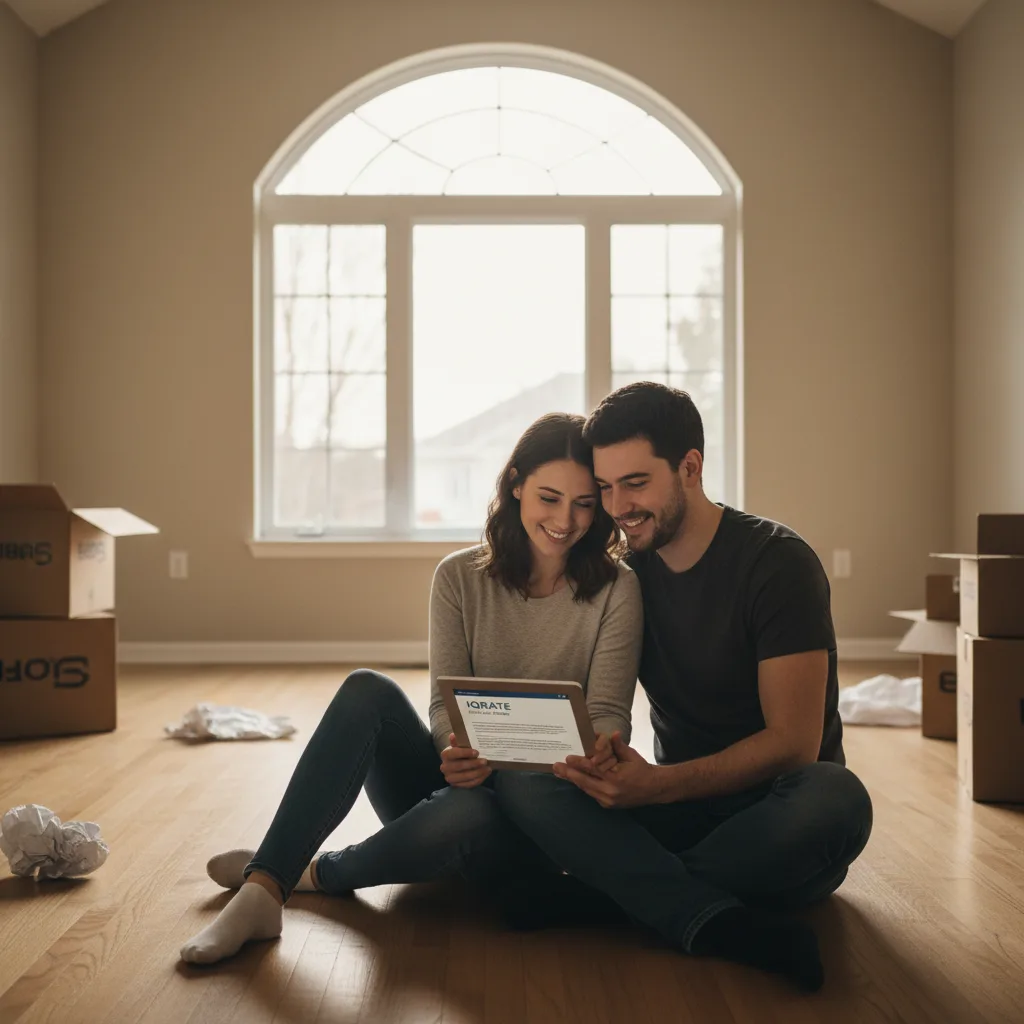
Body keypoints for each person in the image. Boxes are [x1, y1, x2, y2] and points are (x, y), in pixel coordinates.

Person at [180, 412, 643, 964]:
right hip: (452, 787)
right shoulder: (457, 577)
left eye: (585, 503)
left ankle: (313, 870)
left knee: (468, 814)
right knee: (367, 689)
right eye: (549, 497)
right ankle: (263, 894)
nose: (566, 520)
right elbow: (443, 703)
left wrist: (594, 752)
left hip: (537, 815)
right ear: (515, 483)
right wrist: (452, 751)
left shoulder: (618, 587)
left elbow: (611, 714)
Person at [492, 382, 873, 993]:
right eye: (607, 487)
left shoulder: (777, 563)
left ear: (690, 467)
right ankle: (687, 905)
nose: (617, 506)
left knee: (838, 797)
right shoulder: (623, 576)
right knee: (529, 780)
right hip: (679, 814)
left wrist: (657, 786)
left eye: (636, 483)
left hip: (778, 821)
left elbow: (794, 745)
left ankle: (607, 898)